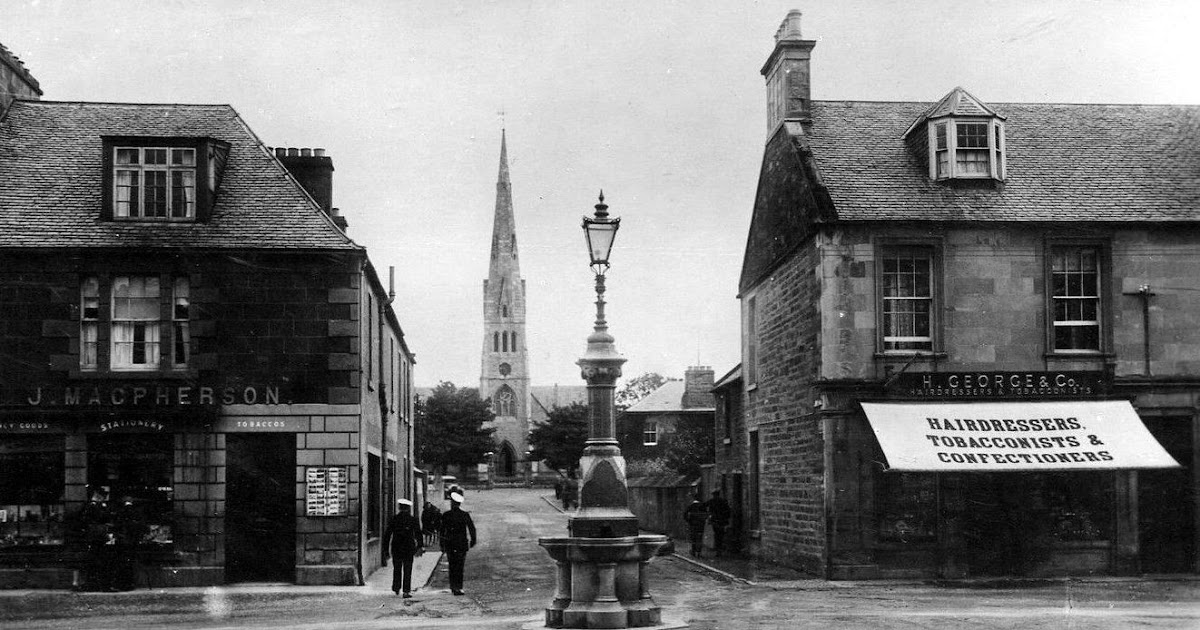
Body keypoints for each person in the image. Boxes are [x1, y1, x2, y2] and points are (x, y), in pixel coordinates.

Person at [383, 498, 425, 597]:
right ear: (408, 508)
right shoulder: (413, 519)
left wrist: (385, 549)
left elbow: (388, 534)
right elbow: (418, 533)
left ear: (399, 507)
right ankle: (406, 591)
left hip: (396, 547)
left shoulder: (394, 519)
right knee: (407, 569)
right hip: (409, 547)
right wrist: (420, 546)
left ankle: (396, 588)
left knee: (397, 568)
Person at [438, 492, 476, 596]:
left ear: (452, 503)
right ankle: (459, 587)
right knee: (460, 566)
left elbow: (442, 531)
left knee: (452, 565)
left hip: (450, 543)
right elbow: (471, 528)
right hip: (461, 544)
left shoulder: (446, 515)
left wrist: (442, 545)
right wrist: (473, 540)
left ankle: (453, 586)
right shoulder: (464, 515)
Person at [78, 487, 113, 591]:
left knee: (95, 561)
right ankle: (98, 585)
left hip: (94, 537)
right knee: (99, 561)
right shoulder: (93, 507)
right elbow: (103, 518)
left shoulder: (90, 506)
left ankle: (93, 584)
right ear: (99, 496)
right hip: (97, 537)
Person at [111, 496, 148, 591]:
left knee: (121, 563)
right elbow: (143, 526)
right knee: (130, 563)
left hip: (122, 541)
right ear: (131, 502)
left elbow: (116, 526)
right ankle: (130, 584)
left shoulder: (120, 512)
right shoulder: (137, 512)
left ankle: (122, 584)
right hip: (133, 541)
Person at [706, 490, 731, 555]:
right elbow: (728, 511)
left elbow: (703, 506)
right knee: (721, 535)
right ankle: (719, 549)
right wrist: (726, 519)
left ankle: (718, 550)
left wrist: (709, 516)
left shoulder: (711, 501)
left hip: (715, 521)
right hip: (722, 521)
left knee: (716, 535)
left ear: (714, 495)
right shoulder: (724, 501)